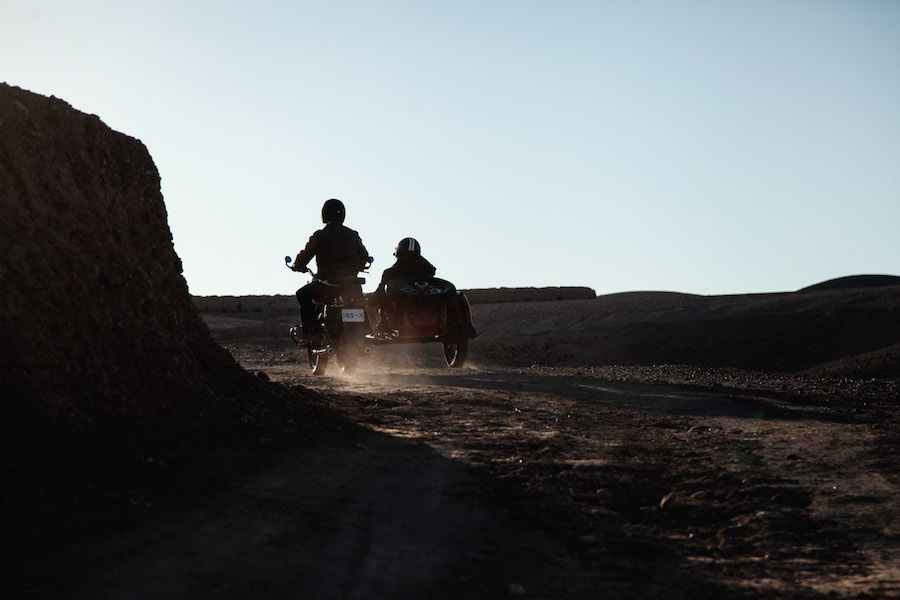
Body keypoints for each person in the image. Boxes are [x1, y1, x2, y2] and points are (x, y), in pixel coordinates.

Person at [291, 199, 369, 345]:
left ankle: (313, 333)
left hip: (327, 285)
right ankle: (367, 330)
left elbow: (306, 254)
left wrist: (297, 265)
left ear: (324, 215)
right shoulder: (353, 235)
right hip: (350, 284)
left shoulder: (320, 236)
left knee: (302, 294)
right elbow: (364, 256)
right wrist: (358, 266)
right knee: (360, 300)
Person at [368, 237, 436, 308]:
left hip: (397, 315)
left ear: (399, 252)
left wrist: (368, 301)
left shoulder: (390, 273)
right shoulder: (428, 270)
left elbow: (379, 294)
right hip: (426, 311)